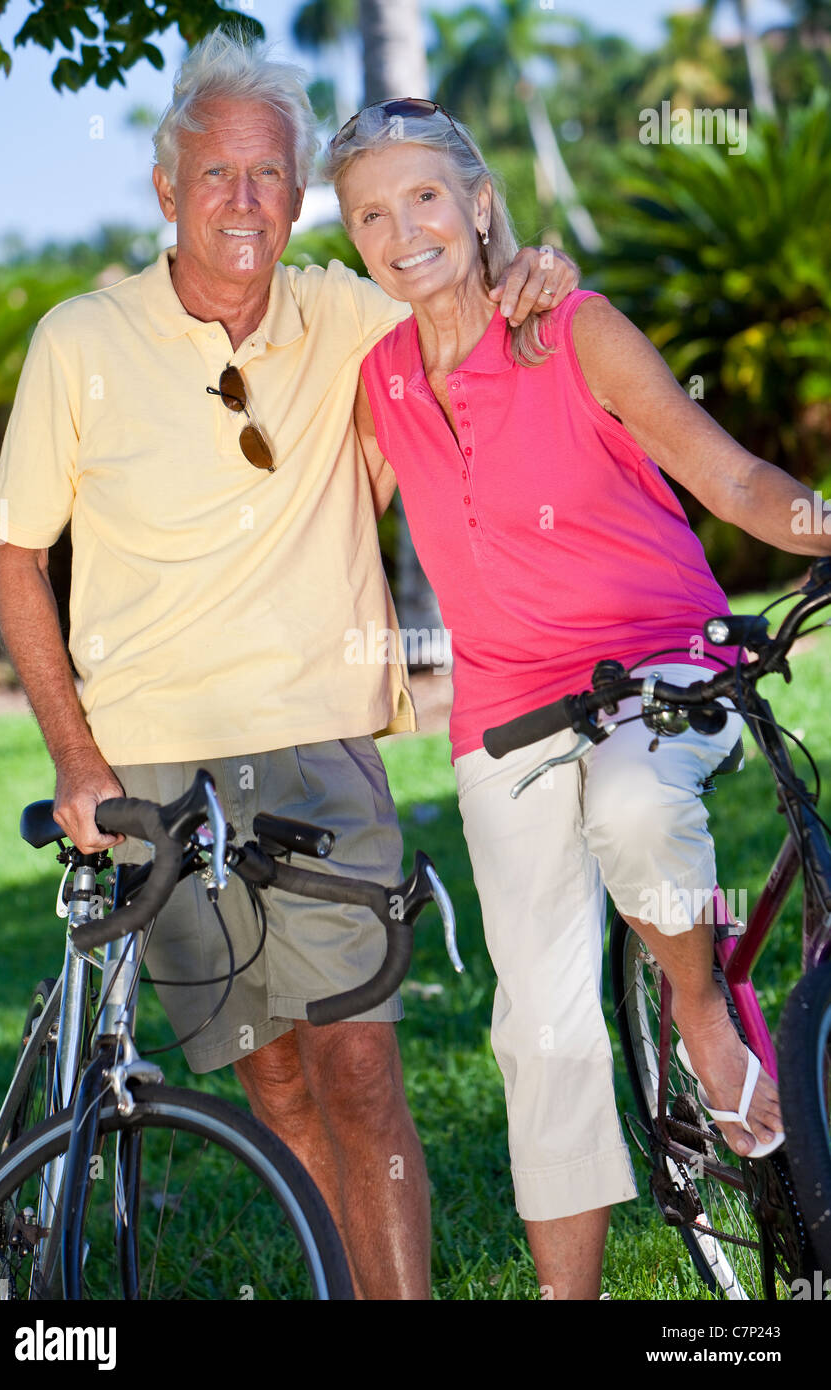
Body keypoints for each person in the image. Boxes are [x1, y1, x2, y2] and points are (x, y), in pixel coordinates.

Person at [0, 32, 578, 1300]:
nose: (244, 202)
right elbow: (17, 552)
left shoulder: (348, 317)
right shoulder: (78, 341)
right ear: (166, 190)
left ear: (296, 190)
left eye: (270, 176)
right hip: (150, 757)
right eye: (217, 175)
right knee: (272, 1077)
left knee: (361, 1067)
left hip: (316, 742)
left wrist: (533, 266)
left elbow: (462, 296)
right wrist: (75, 755)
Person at [324, 100, 829, 1299]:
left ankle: (696, 1000)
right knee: (536, 1029)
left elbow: (728, 472)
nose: (403, 232)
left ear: (482, 201)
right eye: (370, 215)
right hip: (503, 713)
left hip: (662, 657)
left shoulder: (573, 328)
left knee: (636, 806)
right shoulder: (377, 383)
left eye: (427, 198)